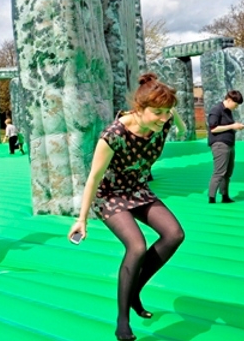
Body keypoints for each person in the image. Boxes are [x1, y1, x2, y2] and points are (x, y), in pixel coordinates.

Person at [67, 73, 185, 341]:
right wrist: (81, 219)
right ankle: (123, 319)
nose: (164, 118)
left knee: (174, 234)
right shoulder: (113, 135)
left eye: (167, 112)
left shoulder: (161, 123)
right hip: (109, 195)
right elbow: (94, 178)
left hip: (138, 190)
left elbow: (180, 124)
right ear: (139, 109)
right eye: (158, 112)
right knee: (137, 246)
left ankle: (134, 292)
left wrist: (170, 108)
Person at [207, 90, 244, 204]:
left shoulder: (228, 111)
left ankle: (225, 195)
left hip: (229, 144)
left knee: (228, 172)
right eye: (236, 104)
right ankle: (212, 198)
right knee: (219, 172)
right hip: (220, 144)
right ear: (229, 100)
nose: (236, 107)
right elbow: (213, 128)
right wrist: (233, 126)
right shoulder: (216, 110)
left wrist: (234, 127)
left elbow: (225, 126)